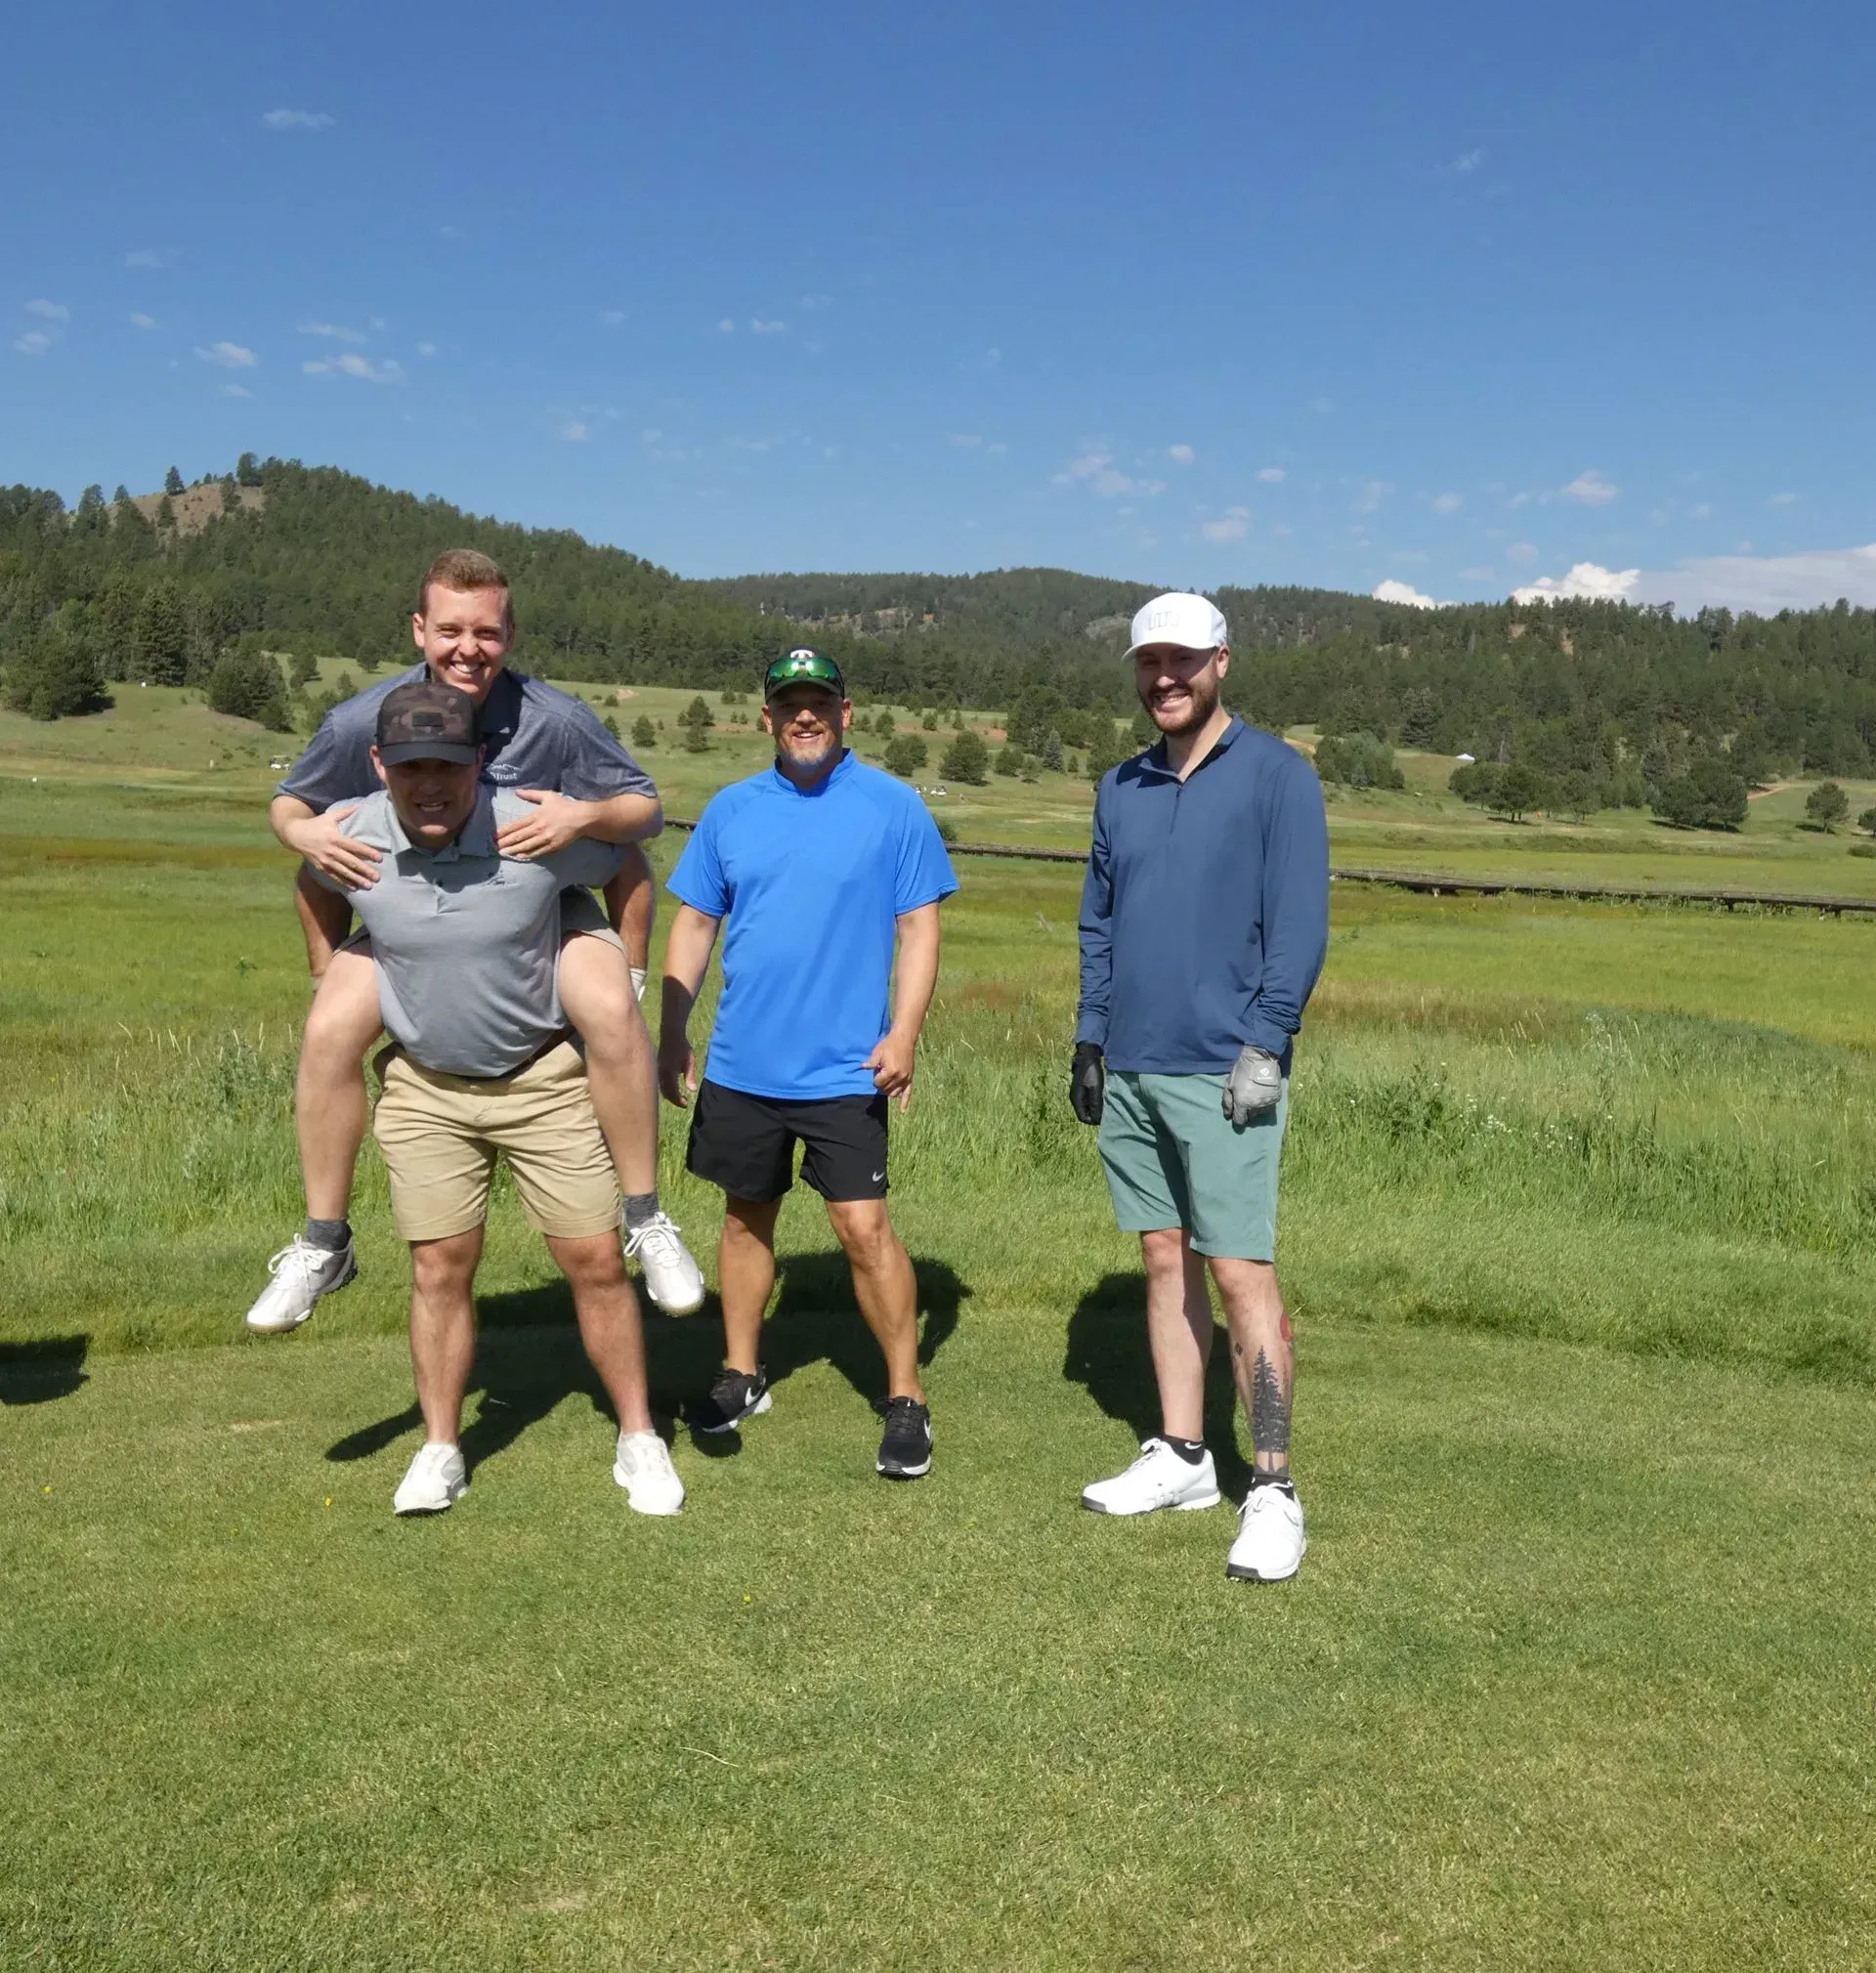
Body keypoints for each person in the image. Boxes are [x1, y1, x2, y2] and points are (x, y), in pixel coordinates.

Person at [246, 548, 704, 1335]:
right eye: (451, 629)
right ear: (420, 628)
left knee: (607, 1009)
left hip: (545, 910)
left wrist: (582, 816)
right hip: (406, 921)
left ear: (510, 634)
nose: (469, 648)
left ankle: (646, 1217)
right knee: (327, 1031)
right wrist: (307, 843)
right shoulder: (364, 718)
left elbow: (644, 816)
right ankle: (324, 1242)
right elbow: (292, 810)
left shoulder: (555, 720)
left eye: (486, 633)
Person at [307, 676, 685, 1517]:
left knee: (592, 1264)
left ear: (479, 762)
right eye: (411, 768)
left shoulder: (532, 830)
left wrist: (621, 971)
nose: (430, 782)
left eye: (447, 763)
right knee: (439, 1269)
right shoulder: (356, 838)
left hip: (546, 1080)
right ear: (380, 766)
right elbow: (311, 878)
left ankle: (638, 1435)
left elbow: (628, 859)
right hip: (428, 1091)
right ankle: (441, 1447)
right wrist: (332, 970)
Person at [1072, 592, 1328, 1582]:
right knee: (1163, 1257)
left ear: (1222, 662)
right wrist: (1090, 1039)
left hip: (1227, 1069)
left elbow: (1299, 924)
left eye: (1182, 660)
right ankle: (1183, 1455)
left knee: (1239, 1271)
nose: (1163, 678)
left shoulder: (1276, 775)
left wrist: (1267, 1044)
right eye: (1149, 662)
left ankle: (1271, 1488)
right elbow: (1100, 922)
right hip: (1132, 1063)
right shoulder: (1121, 784)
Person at [657, 647, 958, 1480]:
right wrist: (672, 1028)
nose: (804, 716)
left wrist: (905, 1032)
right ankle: (743, 1373)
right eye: (789, 704)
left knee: (863, 1228)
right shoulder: (730, 810)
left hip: (846, 1068)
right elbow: (692, 925)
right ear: (767, 718)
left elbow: (920, 927)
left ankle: (906, 1396)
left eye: (818, 702)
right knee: (745, 1216)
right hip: (744, 1063)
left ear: (845, 711)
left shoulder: (893, 808)